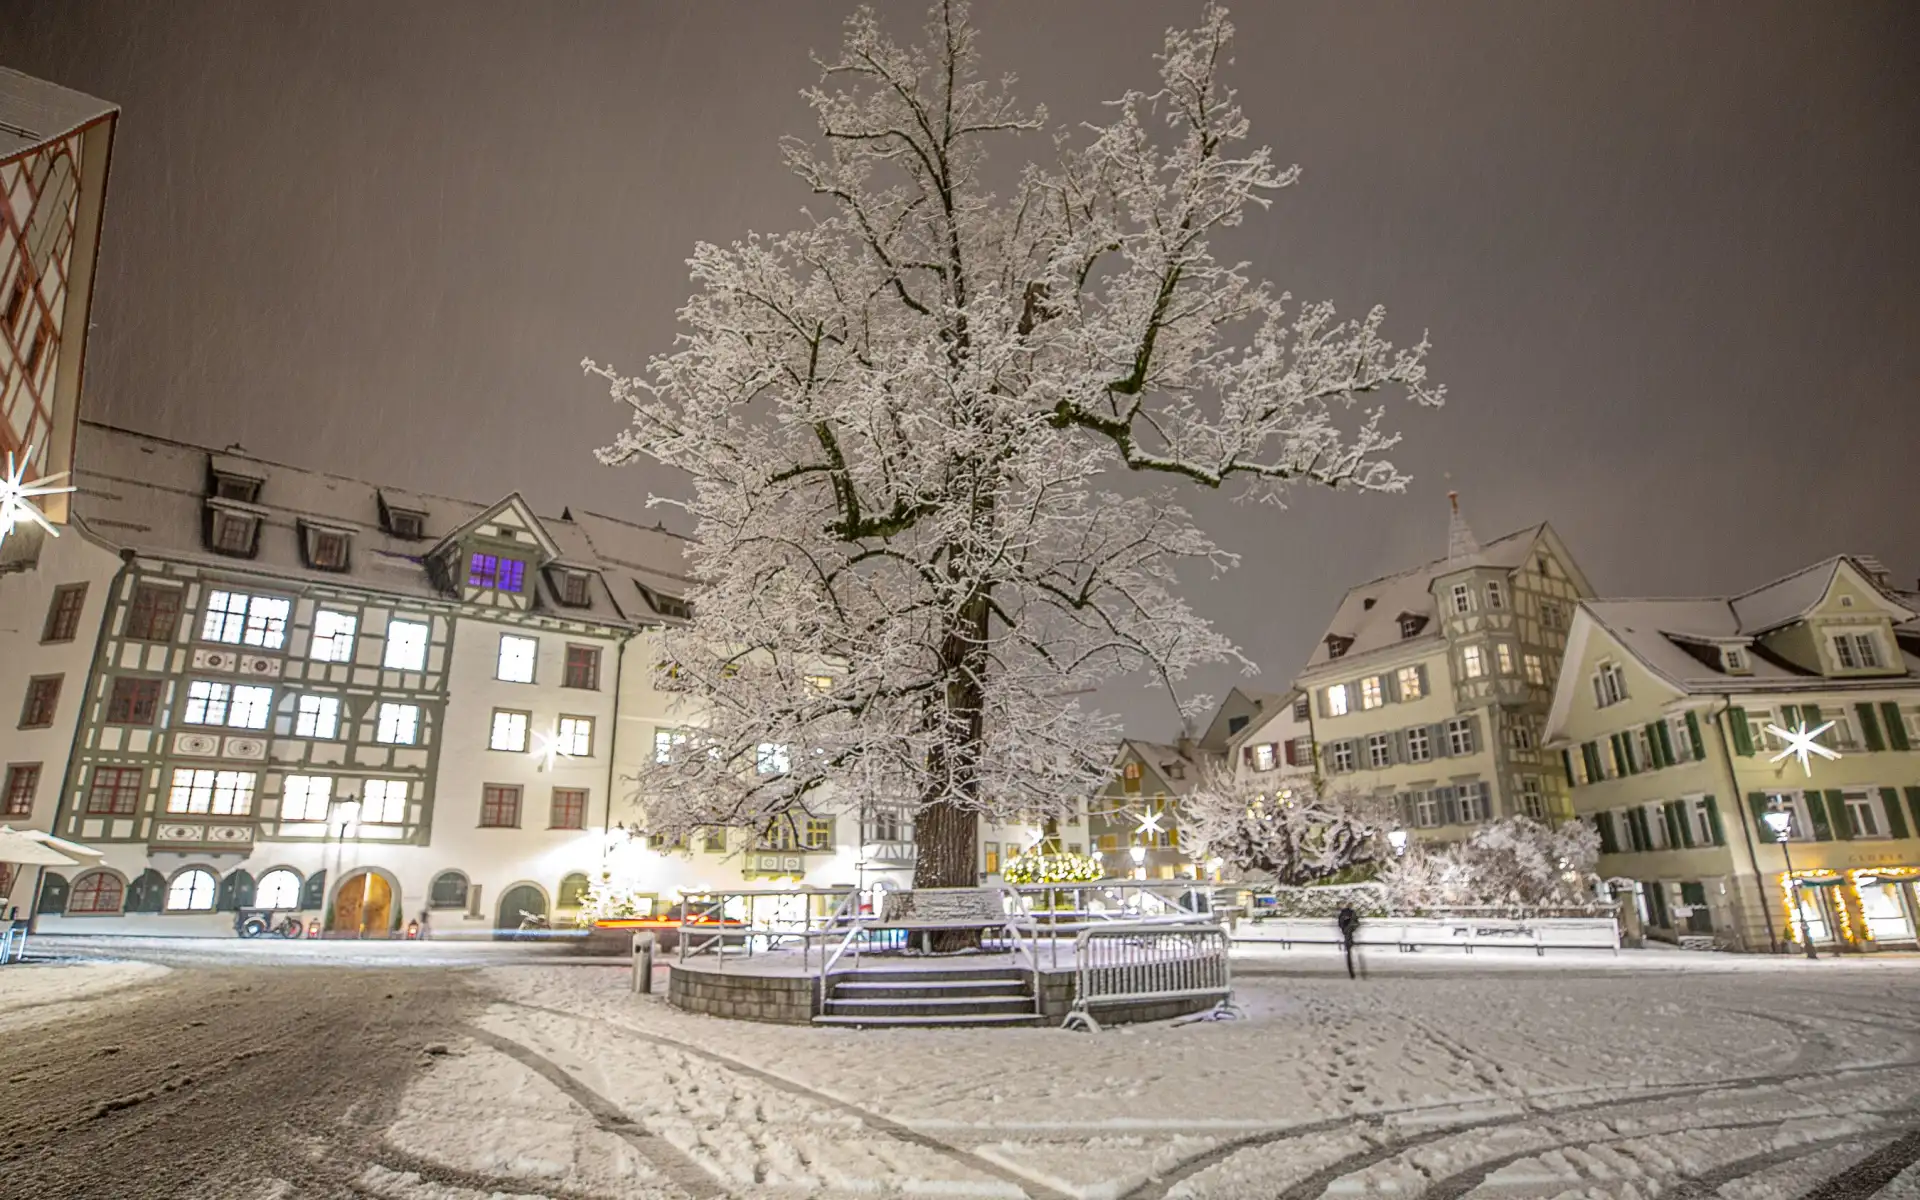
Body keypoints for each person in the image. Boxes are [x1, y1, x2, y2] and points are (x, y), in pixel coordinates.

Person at [1336, 904, 1361, 980]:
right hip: (1348, 935)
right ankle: (1351, 973)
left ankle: (1352, 973)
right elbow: (1355, 923)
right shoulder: (1349, 913)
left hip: (1348, 934)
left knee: (1348, 953)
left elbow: (1341, 924)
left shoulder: (1347, 914)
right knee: (1348, 953)